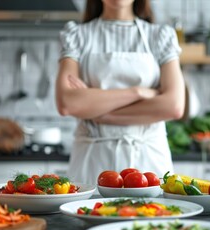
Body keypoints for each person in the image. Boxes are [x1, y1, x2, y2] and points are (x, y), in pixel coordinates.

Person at [56, 0, 185, 185]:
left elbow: (174, 106)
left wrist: (99, 112)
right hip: (92, 164)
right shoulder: (77, 36)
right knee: (89, 212)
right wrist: (138, 92)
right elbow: (67, 103)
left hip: (149, 165)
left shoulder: (160, 36)